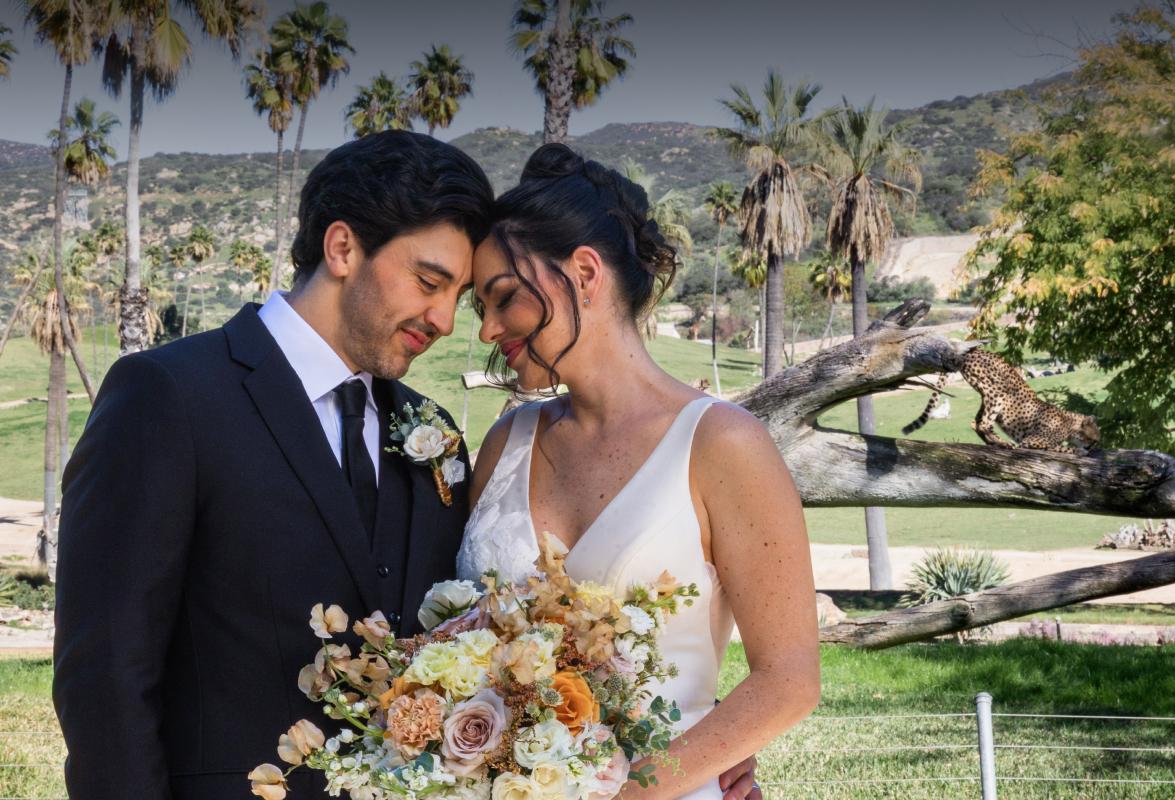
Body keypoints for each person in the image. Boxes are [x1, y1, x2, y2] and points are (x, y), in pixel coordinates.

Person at [52, 131, 492, 799]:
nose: (445, 319)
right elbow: (105, 674)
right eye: (430, 282)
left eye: (460, 294)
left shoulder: (432, 431)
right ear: (342, 247)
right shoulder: (168, 396)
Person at [459, 143, 820, 799]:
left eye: (503, 297)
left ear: (586, 273)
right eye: (477, 306)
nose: (487, 329)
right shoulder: (502, 444)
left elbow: (788, 680)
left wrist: (632, 791)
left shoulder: (723, 445)